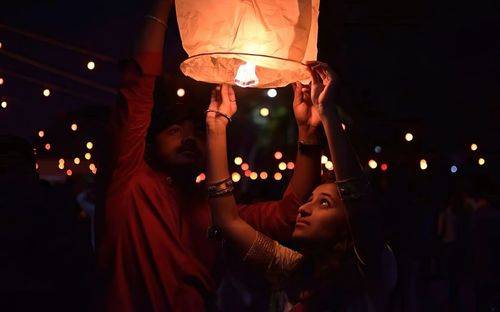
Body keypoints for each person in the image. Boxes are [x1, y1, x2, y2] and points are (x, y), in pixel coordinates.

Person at [95, 0, 322, 311]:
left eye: (198, 133)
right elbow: (137, 88)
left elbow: (287, 215)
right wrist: (162, 8)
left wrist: (309, 135)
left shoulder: (217, 214)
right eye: (175, 130)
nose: (189, 138)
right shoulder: (128, 181)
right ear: (148, 143)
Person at [205, 64, 397, 311]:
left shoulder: (373, 273)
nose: (304, 208)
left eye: (324, 203)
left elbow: (356, 194)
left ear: (350, 224)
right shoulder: (293, 268)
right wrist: (216, 125)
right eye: (311, 199)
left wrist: (328, 111)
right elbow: (228, 221)